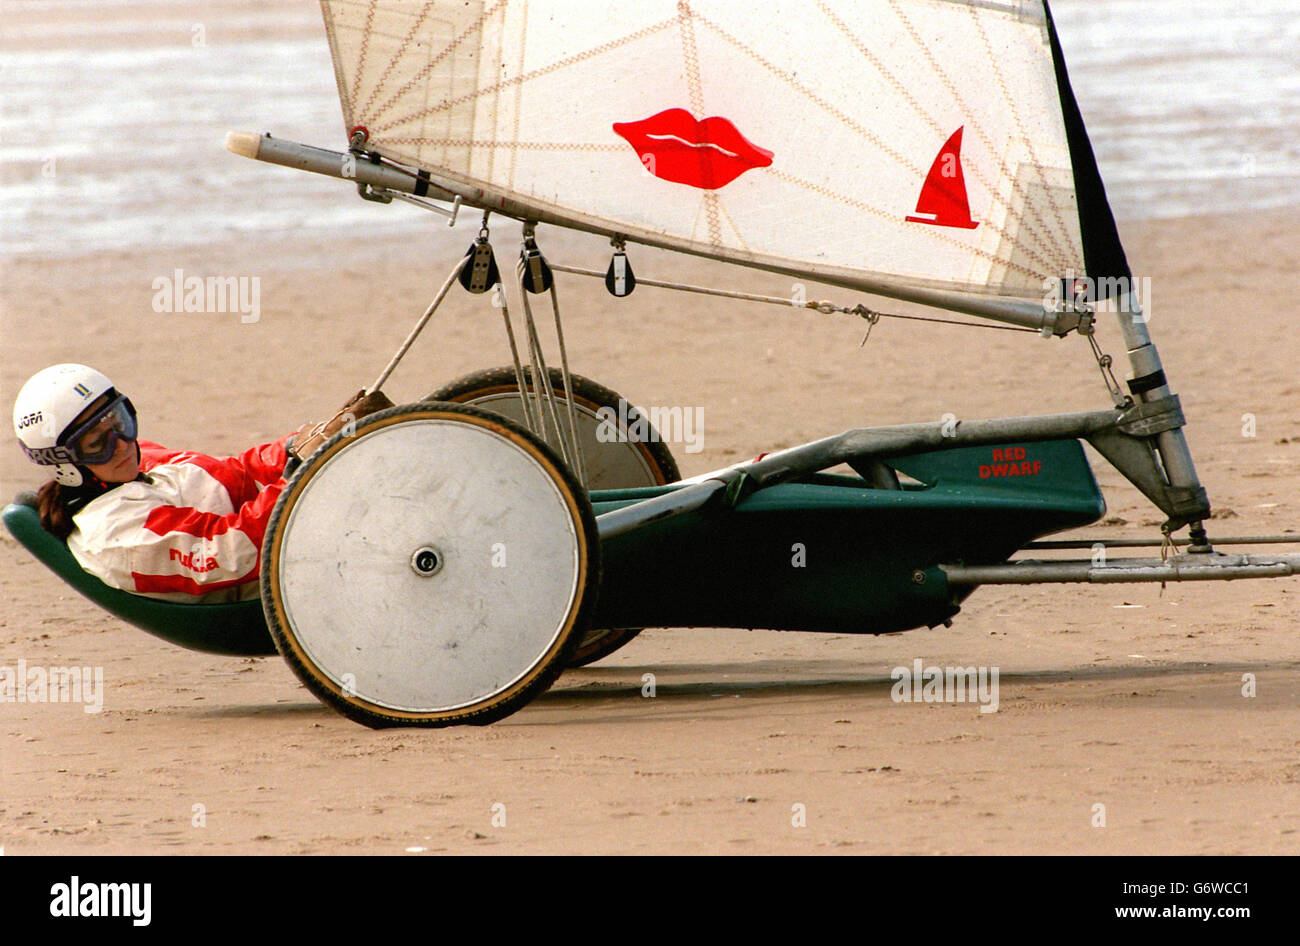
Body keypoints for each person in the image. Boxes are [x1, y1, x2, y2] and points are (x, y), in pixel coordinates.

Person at [12, 364, 388, 603]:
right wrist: (302, 469)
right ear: (64, 464)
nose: (122, 445)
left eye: (120, 423)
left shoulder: (135, 463)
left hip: (289, 537)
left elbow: (236, 475)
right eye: (97, 443)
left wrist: (299, 445)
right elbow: (234, 550)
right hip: (271, 581)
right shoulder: (117, 535)